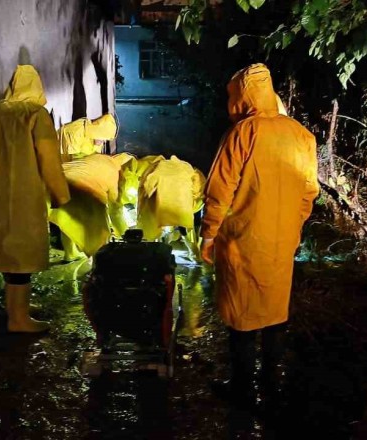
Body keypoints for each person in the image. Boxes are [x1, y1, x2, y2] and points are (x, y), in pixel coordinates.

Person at [200, 63, 320, 409]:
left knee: (242, 316)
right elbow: (308, 192)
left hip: (243, 241)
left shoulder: (243, 133)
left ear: (242, 94)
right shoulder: (302, 135)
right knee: (274, 313)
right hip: (282, 241)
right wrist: (293, 227)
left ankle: (241, 389)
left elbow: (219, 192)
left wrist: (209, 235)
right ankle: (272, 385)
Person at [0, 65, 70, 333]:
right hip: (24, 195)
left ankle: (16, 310)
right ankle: (18, 319)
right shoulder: (35, 115)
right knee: (20, 258)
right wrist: (60, 193)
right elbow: (48, 158)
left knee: (6, 252)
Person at [48, 153, 124, 261]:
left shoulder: (94, 159)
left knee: (67, 216)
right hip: (83, 188)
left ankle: (70, 253)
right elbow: (115, 210)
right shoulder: (116, 172)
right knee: (99, 229)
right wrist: (125, 234)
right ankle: (99, 260)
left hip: (53, 183)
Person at [135, 155, 206, 259]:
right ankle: (194, 252)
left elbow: (146, 186)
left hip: (161, 203)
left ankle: (157, 250)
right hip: (183, 202)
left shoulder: (156, 167)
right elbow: (199, 189)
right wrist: (194, 202)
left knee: (158, 225)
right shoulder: (189, 170)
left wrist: (145, 201)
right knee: (185, 225)